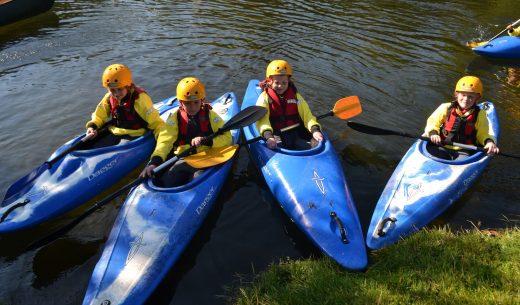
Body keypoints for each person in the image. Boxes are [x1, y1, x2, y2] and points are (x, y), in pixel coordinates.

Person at [140, 77, 232, 187]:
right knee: (164, 182)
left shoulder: (212, 117)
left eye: (196, 102)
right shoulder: (174, 120)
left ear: (202, 100)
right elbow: (164, 143)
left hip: (206, 158)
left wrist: (207, 141)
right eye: (188, 103)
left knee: (197, 179)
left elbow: (227, 138)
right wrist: (154, 162)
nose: (192, 107)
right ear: (181, 103)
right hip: (183, 159)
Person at [85, 63, 166, 152]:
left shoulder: (140, 99)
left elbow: (156, 123)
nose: (116, 94)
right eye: (112, 90)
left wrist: (163, 143)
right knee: (92, 146)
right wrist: (92, 127)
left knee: (115, 150)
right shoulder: (109, 97)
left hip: (134, 136)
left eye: (119, 89)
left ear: (128, 86)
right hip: (115, 132)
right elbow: (99, 115)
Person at [424, 76, 500, 160]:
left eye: (471, 97)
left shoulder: (480, 114)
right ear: (456, 95)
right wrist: (433, 133)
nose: (466, 99)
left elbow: (484, 132)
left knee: (462, 160)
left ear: (477, 98)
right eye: (463, 95)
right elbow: (433, 122)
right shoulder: (446, 107)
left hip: (465, 150)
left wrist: (489, 142)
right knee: (433, 156)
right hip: (442, 144)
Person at [255, 59, 323, 150]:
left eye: (284, 83)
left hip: (295, 130)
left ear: (289, 81)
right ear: (269, 81)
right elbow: (262, 120)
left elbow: (308, 116)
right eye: (277, 83)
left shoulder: (296, 96)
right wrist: (268, 136)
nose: (280, 86)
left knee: (316, 144)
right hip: (275, 133)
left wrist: (315, 130)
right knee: (276, 146)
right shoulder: (264, 98)